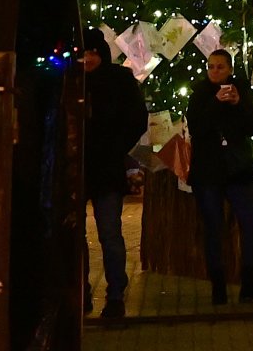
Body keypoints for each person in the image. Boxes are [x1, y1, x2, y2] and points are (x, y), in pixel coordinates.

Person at [187, 48, 253, 304]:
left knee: (252, 222)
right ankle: (218, 288)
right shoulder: (200, 94)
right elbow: (197, 128)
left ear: (230, 70)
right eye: (211, 66)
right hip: (208, 172)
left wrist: (237, 104)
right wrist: (215, 102)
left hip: (237, 170)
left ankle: (250, 285)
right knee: (214, 228)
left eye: (220, 67)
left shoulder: (240, 91)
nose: (214, 71)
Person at [81, 27, 145, 320]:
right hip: (76, 169)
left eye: (93, 52)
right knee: (75, 235)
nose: (88, 58)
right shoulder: (70, 80)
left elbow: (136, 119)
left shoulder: (118, 79)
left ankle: (116, 293)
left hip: (106, 167)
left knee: (109, 233)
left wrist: (116, 148)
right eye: (84, 52)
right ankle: (80, 292)